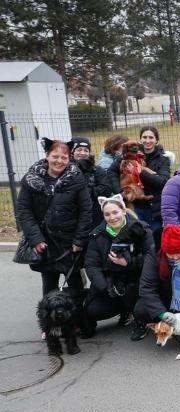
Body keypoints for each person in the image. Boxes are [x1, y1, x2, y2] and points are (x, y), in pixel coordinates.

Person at [16, 138, 93, 295]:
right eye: (55, 156)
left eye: (64, 157)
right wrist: (36, 238)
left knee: (75, 284)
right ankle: (49, 318)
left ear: (69, 158)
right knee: (49, 283)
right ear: (47, 155)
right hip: (45, 242)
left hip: (70, 243)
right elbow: (23, 210)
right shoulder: (31, 179)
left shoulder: (76, 179)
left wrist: (79, 239)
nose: (59, 161)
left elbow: (86, 210)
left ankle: (79, 318)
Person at [84, 195, 154, 339]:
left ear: (123, 210)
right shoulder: (97, 235)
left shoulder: (142, 229)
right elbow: (91, 266)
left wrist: (129, 263)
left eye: (115, 212)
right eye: (107, 214)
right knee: (93, 310)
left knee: (139, 305)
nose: (112, 217)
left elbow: (151, 259)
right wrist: (105, 288)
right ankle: (125, 309)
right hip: (112, 283)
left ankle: (141, 320)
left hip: (138, 280)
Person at [106, 125, 171, 231]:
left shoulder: (163, 159)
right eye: (144, 137)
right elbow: (111, 171)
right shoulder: (129, 155)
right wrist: (120, 192)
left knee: (154, 241)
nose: (147, 140)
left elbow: (162, 182)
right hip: (135, 207)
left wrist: (141, 173)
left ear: (156, 140)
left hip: (154, 209)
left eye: (151, 137)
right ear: (140, 139)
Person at [69, 136, 116, 226]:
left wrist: (84, 192)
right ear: (72, 152)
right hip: (73, 216)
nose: (82, 153)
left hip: (95, 216)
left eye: (86, 150)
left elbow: (106, 189)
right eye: (79, 150)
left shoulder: (97, 170)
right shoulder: (66, 170)